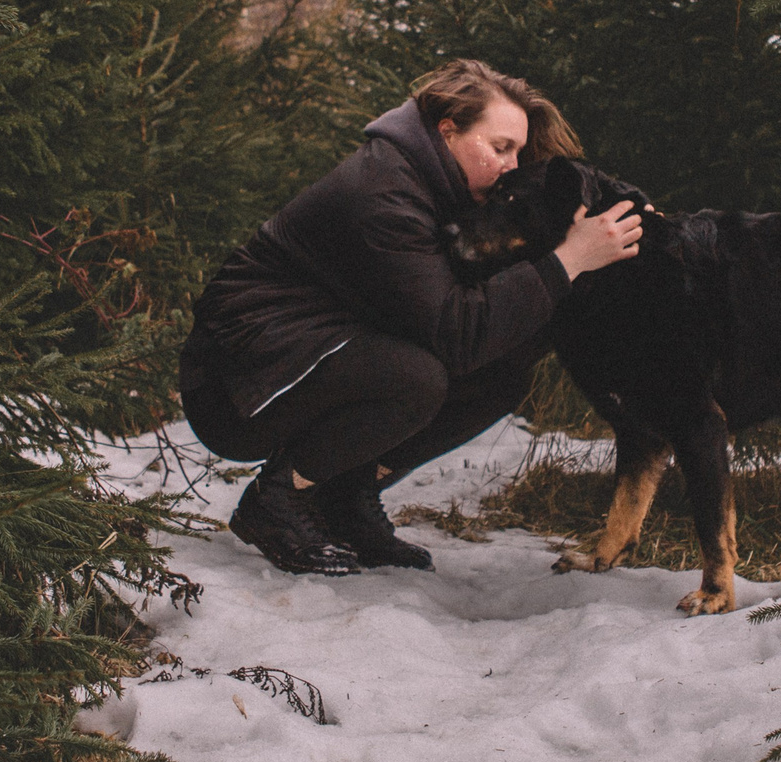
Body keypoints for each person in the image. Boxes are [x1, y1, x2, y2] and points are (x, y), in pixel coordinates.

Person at [179, 61, 642, 574]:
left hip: (310, 353)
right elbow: (456, 333)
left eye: (517, 151)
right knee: (415, 377)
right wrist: (570, 260)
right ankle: (277, 500)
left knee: (504, 372)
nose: (512, 166)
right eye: (500, 147)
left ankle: (346, 494)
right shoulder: (384, 193)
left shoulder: (440, 187)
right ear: (447, 131)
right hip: (239, 382)